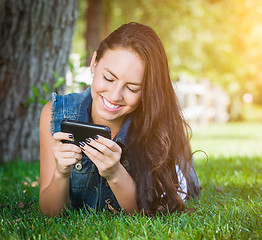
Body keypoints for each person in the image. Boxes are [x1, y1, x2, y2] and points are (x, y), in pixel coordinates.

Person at [39, 22, 200, 217]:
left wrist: (115, 173)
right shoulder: (56, 114)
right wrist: (60, 174)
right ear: (94, 62)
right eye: (108, 78)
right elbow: (49, 212)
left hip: (179, 173)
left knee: (186, 188)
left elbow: (149, 213)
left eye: (132, 88)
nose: (115, 96)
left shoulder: (158, 125)